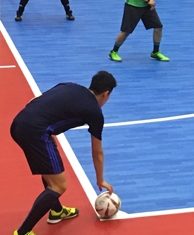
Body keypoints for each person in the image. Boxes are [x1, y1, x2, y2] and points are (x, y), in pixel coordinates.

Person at [11, 71, 116, 235]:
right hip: (36, 132)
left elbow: (35, 100)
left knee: (50, 170)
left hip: (19, 123)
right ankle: (22, 232)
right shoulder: (95, 112)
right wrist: (100, 179)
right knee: (59, 185)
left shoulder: (70, 86)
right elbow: (97, 153)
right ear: (106, 93)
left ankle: (56, 211)